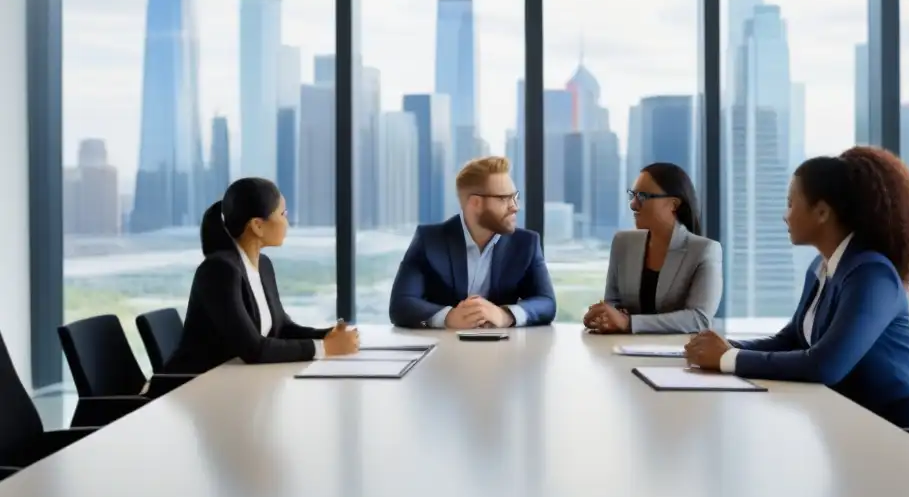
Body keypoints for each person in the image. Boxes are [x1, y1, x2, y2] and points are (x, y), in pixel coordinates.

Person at [684, 146, 909, 429]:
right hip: (857, 422)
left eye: (791, 203)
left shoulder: (872, 276)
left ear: (822, 212)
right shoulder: (822, 267)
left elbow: (826, 365)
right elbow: (792, 339)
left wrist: (728, 358)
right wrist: (722, 347)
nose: (785, 215)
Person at [164, 178, 359, 374]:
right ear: (257, 225)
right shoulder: (218, 271)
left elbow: (282, 329)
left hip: (231, 381)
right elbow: (253, 349)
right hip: (189, 388)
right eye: (283, 214)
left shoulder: (263, 265)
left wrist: (329, 335)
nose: (287, 222)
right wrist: (324, 348)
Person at [389, 156, 556, 329]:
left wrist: (505, 315)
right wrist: (448, 317)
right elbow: (401, 304)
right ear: (476, 203)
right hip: (446, 349)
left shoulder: (526, 244)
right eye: (503, 198)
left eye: (514, 197)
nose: (515, 207)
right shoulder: (429, 240)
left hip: (505, 349)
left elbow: (546, 303)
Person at [584, 162, 722, 334]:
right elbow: (613, 303)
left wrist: (629, 323)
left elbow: (699, 318)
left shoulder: (704, 250)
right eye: (632, 195)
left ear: (673, 204)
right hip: (621, 349)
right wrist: (602, 315)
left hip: (678, 354)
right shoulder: (622, 242)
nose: (633, 204)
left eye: (642, 196)